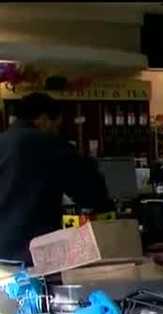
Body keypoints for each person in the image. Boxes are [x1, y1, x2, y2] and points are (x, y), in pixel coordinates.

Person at [0, 93, 109, 262]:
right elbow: (90, 191)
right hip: (35, 251)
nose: (56, 131)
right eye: (56, 126)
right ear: (43, 119)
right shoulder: (48, 144)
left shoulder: (3, 142)